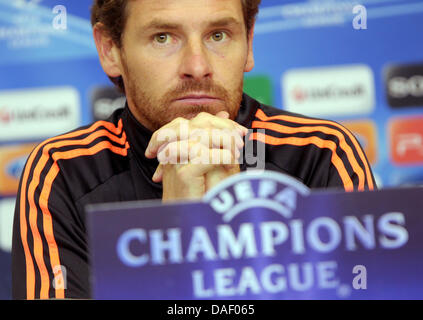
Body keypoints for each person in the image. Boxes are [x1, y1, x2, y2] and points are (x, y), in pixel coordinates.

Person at [11, 0, 376, 300]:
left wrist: (226, 230)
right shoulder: (64, 171)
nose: (197, 67)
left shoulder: (320, 154)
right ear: (110, 50)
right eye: (163, 37)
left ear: (248, 42)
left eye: (218, 35)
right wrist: (173, 241)